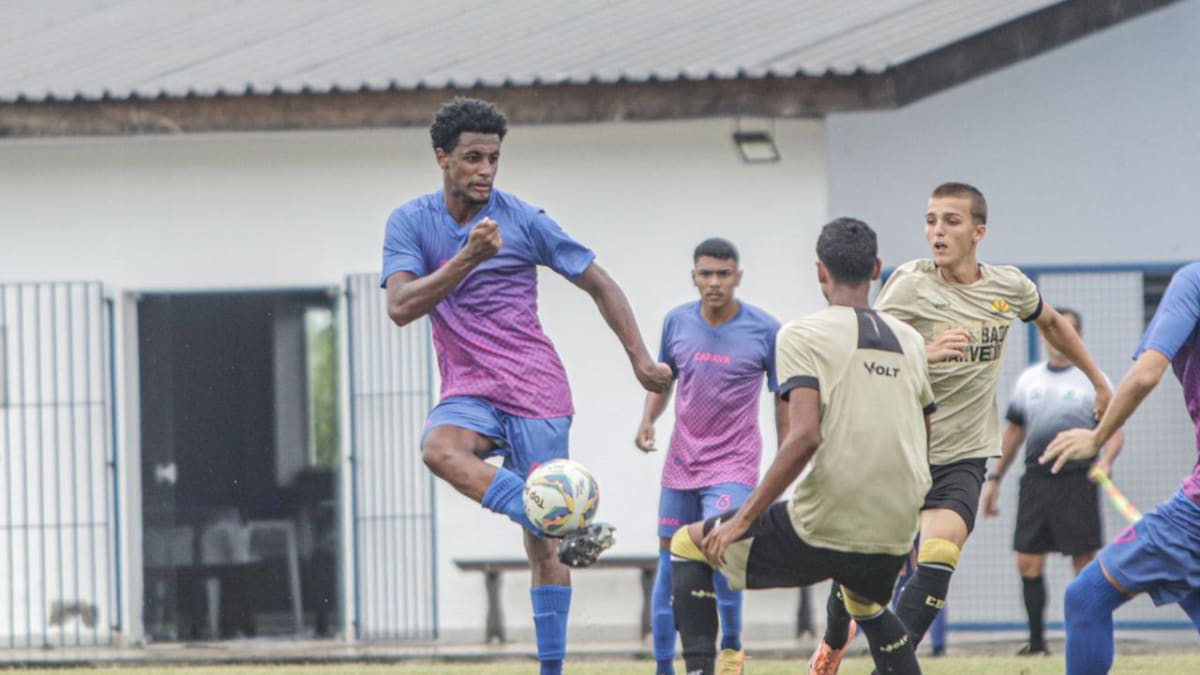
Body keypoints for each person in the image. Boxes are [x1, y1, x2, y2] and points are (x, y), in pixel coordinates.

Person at [380, 97, 672, 675]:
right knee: (439, 449)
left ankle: (551, 667)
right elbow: (401, 307)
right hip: (469, 389)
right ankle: (558, 517)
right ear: (442, 158)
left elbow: (599, 282)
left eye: (493, 158)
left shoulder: (525, 220)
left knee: (542, 550)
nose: (485, 170)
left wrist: (640, 359)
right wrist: (468, 257)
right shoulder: (410, 222)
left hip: (536, 391)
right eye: (472, 157)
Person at [811, 182, 1113, 674]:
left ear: (978, 231)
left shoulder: (1008, 287)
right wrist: (923, 353)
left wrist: (1098, 380)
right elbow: (863, 349)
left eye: (951, 221)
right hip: (900, 448)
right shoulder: (909, 284)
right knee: (867, 573)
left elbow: (1053, 323)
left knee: (938, 557)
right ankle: (832, 640)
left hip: (963, 454)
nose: (938, 231)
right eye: (931, 220)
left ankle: (888, 668)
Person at [669, 217, 935, 675]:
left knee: (687, 545)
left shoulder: (801, 333)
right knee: (866, 603)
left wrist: (741, 520)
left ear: (820, 271)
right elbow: (924, 432)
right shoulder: (910, 340)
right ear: (876, 269)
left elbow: (805, 435)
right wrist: (911, 523)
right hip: (894, 523)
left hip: (825, 523)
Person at [1041, 262, 1200, 674]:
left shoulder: (1193, 281)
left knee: (1086, 596)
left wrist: (1097, 438)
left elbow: (1146, 375)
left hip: (1195, 513)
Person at [635, 237, 784, 675]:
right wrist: (648, 419)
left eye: (723, 273)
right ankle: (664, 666)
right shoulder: (676, 322)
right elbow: (663, 378)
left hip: (733, 463)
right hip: (682, 461)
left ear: (738, 277)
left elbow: (783, 396)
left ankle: (731, 649)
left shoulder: (766, 330)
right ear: (694, 277)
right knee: (668, 565)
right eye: (706, 274)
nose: (714, 282)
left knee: (721, 554)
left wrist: (785, 452)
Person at [980, 308, 1124, 656]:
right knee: (1027, 561)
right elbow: (1014, 432)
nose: (1057, 339)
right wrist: (994, 479)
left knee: (1084, 565)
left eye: (1067, 331)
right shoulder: (1029, 381)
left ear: (1079, 337)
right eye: (1052, 332)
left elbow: (1114, 432)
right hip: (1037, 481)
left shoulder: (1094, 381)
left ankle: (1085, 642)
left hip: (1078, 481)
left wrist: (1105, 460)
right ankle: (1037, 644)